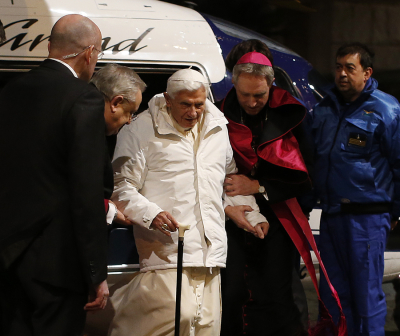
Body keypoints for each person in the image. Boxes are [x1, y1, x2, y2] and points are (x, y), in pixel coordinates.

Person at [108, 68, 267, 336]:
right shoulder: (140, 130)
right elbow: (121, 188)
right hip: (167, 251)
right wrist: (152, 213)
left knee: (206, 328)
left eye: (199, 104)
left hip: (210, 254)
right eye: (185, 104)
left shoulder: (218, 127)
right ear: (168, 100)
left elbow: (226, 180)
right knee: (162, 326)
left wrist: (253, 215)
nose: (193, 112)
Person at [0, 14, 109, 336]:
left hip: (8, 258)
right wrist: (95, 273)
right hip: (57, 264)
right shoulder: (83, 98)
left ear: (49, 47)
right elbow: (86, 190)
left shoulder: (9, 92)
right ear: (89, 53)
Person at [217, 50, 313, 336]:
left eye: (259, 95)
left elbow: (307, 176)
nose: (251, 102)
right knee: (232, 292)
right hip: (233, 216)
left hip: (279, 215)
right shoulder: (220, 114)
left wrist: (258, 186)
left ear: (271, 85)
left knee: (277, 294)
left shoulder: (291, 113)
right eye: (244, 94)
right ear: (234, 83)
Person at [309, 43, 400, 336]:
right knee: (334, 295)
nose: (342, 74)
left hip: (368, 217)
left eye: (350, 67)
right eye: (338, 67)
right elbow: (313, 160)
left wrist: (395, 211)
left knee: (366, 296)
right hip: (331, 215)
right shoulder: (323, 109)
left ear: (367, 72)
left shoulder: (387, 109)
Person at [90, 63, 146, 226]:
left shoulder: (101, 131)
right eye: (130, 112)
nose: (129, 121)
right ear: (116, 102)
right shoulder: (84, 131)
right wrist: (109, 210)